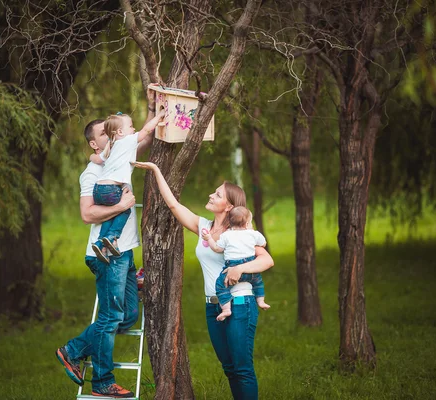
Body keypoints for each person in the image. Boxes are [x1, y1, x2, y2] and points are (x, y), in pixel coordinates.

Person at [132, 161, 274, 400]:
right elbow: (173, 204)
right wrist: (156, 170)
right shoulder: (204, 227)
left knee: (242, 368)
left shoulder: (241, 233)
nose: (211, 194)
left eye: (217, 194)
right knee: (229, 368)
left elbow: (266, 260)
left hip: (240, 304)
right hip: (213, 306)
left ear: (229, 206)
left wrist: (239, 268)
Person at [55, 99, 156, 399]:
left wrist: (153, 108)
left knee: (125, 317)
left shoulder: (118, 156)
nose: (114, 135)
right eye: (106, 133)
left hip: (123, 252)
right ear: (94, 144)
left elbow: (145, 138)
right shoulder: (92, 174)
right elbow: (87, 215)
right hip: (105, 255)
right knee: (111, 318)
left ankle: (73, 350)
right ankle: (102, 382)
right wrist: (122, 205)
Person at [88, 110, 165, 264]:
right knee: (125, 210)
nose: (134, 129)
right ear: (121, 132)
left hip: (98, 190)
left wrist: (90, 156)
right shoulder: (127, 141)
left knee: (110, 216)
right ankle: (112, 237)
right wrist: (158, 117)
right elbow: (146, 131)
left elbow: (97, 158)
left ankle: (99, 243)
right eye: (131, 126)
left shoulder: (112, 145)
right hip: (111, 189)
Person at [203, 206, 271, 322]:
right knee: (258, 281)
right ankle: (261, 301)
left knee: (220, 285)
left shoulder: (226, 236)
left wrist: (209, 238)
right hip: (250, 269)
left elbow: (217, 248)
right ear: (247, 224)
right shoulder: (253, 234)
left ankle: (226, 309)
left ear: (230, 222)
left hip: (232, 269)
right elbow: (263, 243)